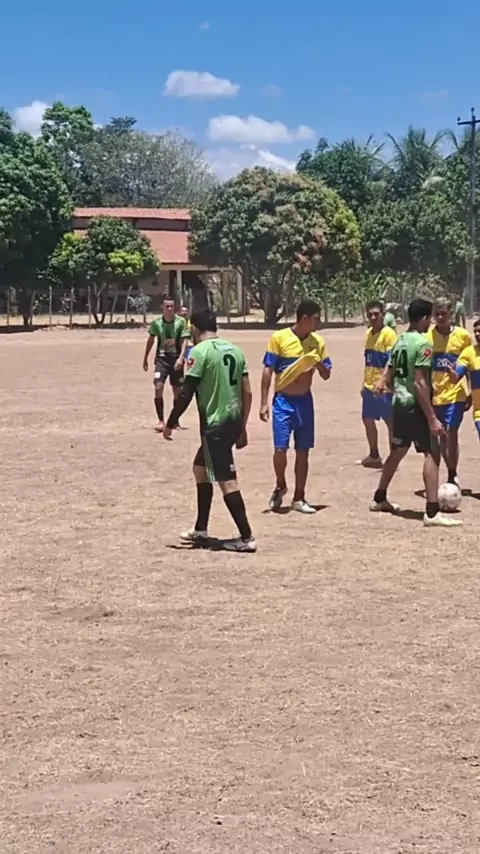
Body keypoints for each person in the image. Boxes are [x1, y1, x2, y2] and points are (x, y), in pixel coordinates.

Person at [163, 309, 256, 553]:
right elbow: (247, 392)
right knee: (200, 469)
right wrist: (243, 426)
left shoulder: (198, 352)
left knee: (227, 481)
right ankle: (201, 529)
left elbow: (186, 392)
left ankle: (247, 538)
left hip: (216, 425)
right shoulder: (235, 350)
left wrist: (170, 422)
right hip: (233, 420)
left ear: (194, 329)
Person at [370, 298, 462, 528]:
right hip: (416, 406)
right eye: (429, 318)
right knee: (432, 454)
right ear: (423, 318)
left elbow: (391, 366)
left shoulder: (400, 339)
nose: (430, 322)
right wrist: (431, 417)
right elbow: (420, 383)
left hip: (399, 404)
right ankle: (432, 511)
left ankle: (379, 497)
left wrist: (383, 381)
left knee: (398, 451)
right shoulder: (423, 344)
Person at [260, 299, 332, 513]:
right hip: (283, 402)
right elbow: (268, 370)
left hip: (304, 402)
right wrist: (264, 402)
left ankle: (299, 497)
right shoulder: (279, 338)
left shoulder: (318, 342)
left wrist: (318, 362)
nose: (319, 323)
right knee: (280, 449)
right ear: (305, 318)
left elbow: (326, 374)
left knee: (303, 452)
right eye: (316, 319)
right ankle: (280, 483)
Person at [425, 298, 472, 486]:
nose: (440, 317)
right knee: (442, 435)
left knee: (451, 432)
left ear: (451, 314)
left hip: (456, 393)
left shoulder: (463, 336)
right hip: (436, 394)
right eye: (437, 314)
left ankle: (452, 474)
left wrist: (469, 390)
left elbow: (469, 364)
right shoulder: (427, 337)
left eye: (444, 313)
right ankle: (449, 469)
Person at [358, 300, 397, 468]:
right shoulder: (368, 334)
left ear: (383, 315)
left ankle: (393, 458)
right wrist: (364, 383)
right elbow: (368, 360)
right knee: (367, 419)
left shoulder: (389, 334)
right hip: (369, 386)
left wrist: (383, 381)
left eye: (376, 314)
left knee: (390, 421)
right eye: (370, 315)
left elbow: (392, 361)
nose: (373, 317)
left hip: (384, 387)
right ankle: (374, 455)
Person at [142, 298, 190, 432]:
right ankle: (161, 420)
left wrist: (181, 358)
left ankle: (175, 421)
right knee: (158, 387)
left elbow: (184, 341)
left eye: (171, 306)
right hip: (161, 360)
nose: (169, 309)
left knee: (177, 391)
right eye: (167, 306)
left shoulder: (181, 322)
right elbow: (151, 340)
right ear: (162, 308)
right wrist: (145, 358)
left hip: (175, 359)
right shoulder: (156, 323)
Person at [447, 317, 480, 441]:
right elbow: (456, 378)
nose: (477, 334)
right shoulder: (469, 353)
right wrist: (452, 374)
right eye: (475, 331)